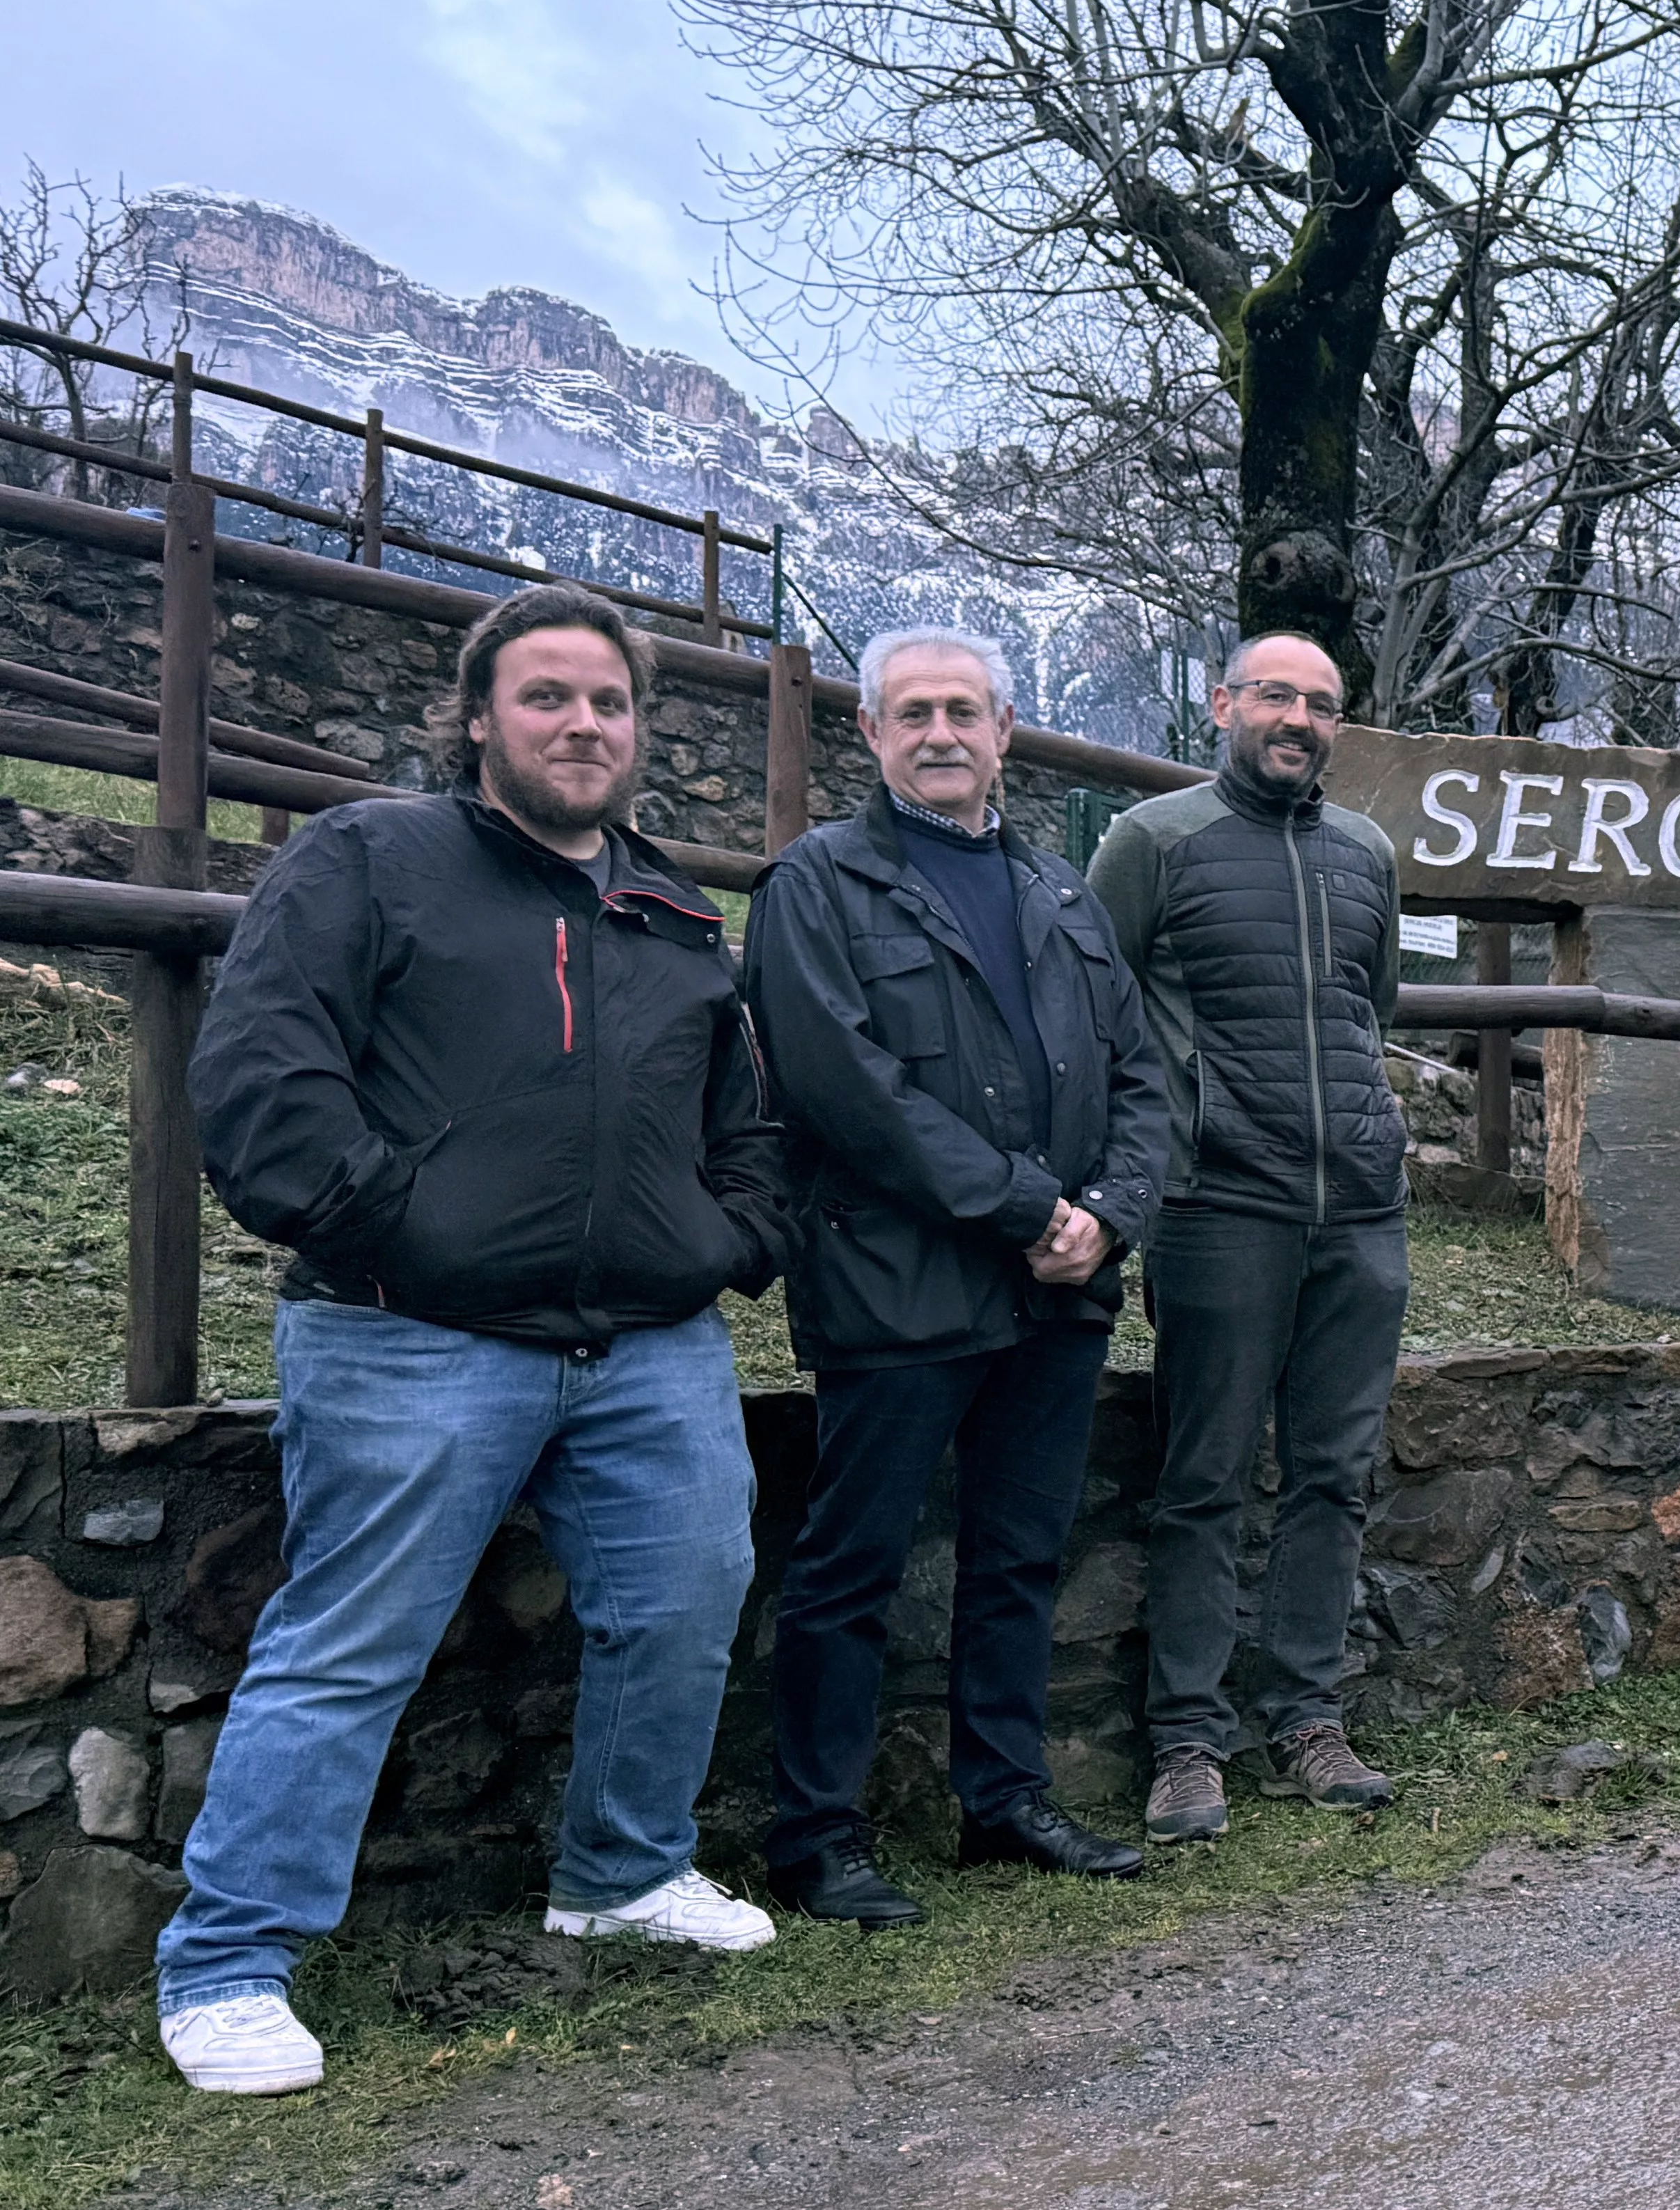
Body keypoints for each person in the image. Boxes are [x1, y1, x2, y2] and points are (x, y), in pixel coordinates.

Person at [155, 583, 793, 2097]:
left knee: (689, 1597)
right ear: (477, 716)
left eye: (610, 702)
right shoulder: (369, 859)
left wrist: (727, 1240)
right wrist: (404, 1225)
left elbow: (745, 1115)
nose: (584, 724)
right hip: (407, 1336)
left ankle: (623, 1869)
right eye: (548, 697)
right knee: (345, 1642)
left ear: (642, 729)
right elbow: (261, 1073)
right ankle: (229, 1958)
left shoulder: (676, 907)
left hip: (647, 1342)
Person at [741, 627, 1172, 1924]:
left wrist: (1108, 1213)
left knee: (1019, 1557)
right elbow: (844, 1090)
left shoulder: (1062, 894)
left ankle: (1005, 1800)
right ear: (869, 733)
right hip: (896, 1283)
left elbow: (1143, 1077)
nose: (940, 732)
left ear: (1004, 731)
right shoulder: (817, 885)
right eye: (912, 712)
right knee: (850, 1568)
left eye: (963, 711)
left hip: (1057, 1288)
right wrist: (1028, 1202)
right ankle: (815, 1833)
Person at [1090, 633, 1408, 1842]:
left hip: (1359, 1213)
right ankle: (1185, 1741)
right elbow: (1101, 999)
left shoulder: (1365, 853)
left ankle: (1309, 1717)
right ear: (1223, 704)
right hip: (1218, 1205)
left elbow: (1366, 1009)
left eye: (1321, 703)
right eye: (1274, 693)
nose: (1297, 716)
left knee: (1334, 1472)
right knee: (1204, 1477)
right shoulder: (1154, 842)